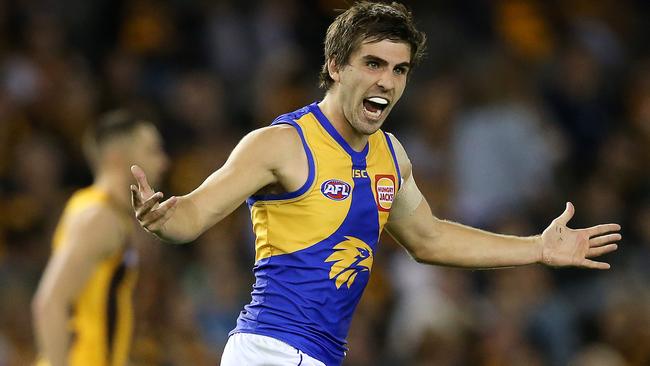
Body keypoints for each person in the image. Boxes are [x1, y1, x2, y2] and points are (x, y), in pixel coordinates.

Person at [130, 2, 621, 365]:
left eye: (399, 69)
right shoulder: (281, 143)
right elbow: (191, 216)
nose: (387, 81)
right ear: (335, 66)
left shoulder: (391, 155)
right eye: (373, 64)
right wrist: (162, 217)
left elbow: (429, 238)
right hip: (270, 351)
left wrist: (536, 248)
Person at [32, 111, 168, 366]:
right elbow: (50, 303)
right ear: (118, 159)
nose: (163, 162)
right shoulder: (100, 218)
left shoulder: (97, 209)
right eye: (152, 151)